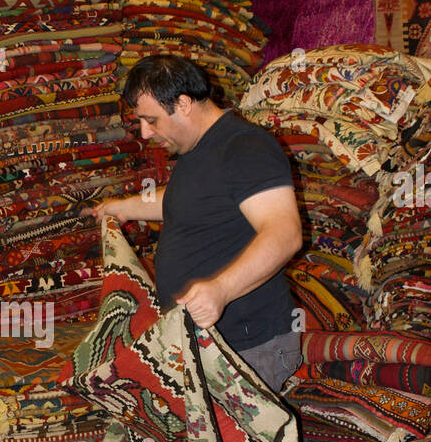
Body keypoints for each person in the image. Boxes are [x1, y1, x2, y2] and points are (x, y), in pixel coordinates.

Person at [88, 55, 304, 392]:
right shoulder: (198, 150)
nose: (145, 133)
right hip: (209, 343)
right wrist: (123, 207)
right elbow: (185, 199)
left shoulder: (245, 147)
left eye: (151, 120)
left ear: (184, 104)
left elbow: (285, 233)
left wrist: (222, 289)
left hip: (247, 347)